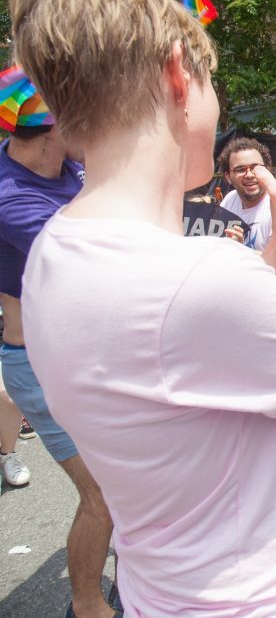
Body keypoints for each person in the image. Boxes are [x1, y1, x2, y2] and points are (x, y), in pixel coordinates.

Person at [9, 0, 276, 615]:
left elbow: (198, 345)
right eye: (213, 80)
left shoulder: (52, 257)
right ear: (179, 76)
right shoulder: (195, 277)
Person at [0, 66, 117, 618]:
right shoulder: (9, 197)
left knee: (129, 483)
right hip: (39, 365)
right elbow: (93, 250)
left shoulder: (66, 166)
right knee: (103, 496)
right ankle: (87, 605)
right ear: (53, 128)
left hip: (85, 355)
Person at [218, 136, 273, 249]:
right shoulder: (229, 201)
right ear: (228, 177)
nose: (249, 175)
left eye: (255, 167)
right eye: (240, 169)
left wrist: (241, 251)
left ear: (267, 169)